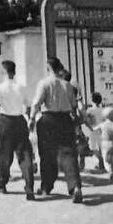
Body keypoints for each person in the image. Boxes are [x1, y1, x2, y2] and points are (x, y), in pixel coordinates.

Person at [29, 57, 83, 203]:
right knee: (69, 154)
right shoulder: (67, 85)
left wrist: (32, 118)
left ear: (48, 68)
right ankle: (75, 186)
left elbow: (37, 103)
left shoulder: (44, 83)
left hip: (48, 120)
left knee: (47, 155)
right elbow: (74, 106)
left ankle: (46, 187)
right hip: (65, 120)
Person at [0, 60, 34, 199]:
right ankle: (29, 187)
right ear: (14, 72)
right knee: (24, 154)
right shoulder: (21, 87)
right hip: (19, 120)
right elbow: (28, 106)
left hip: (5, 121)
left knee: (4, 154)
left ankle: (2, 183)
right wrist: (29, 120)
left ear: (4, 72)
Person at [95, 108, 113, 185]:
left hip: (105, 144)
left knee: (106, 162)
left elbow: (94, 130)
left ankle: (110, 172)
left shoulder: (102, 125)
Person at [85, 92, 106, 171]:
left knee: (92, 147)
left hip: (93, 130)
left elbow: (86, 121)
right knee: (101, 147)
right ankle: (101, 162)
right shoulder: (103, 110)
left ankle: (100, 161)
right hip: (102, 130)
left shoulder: (90, 110)